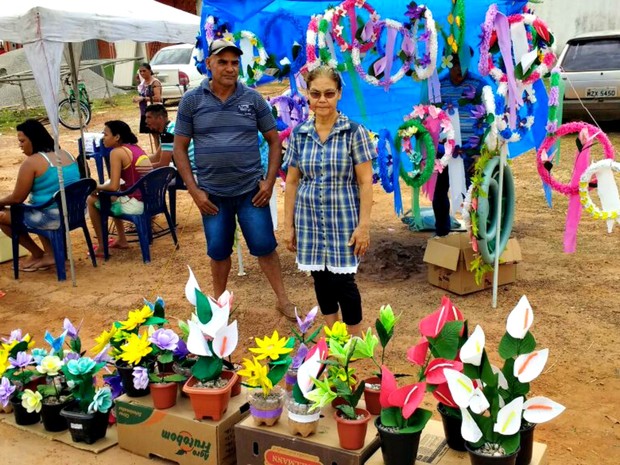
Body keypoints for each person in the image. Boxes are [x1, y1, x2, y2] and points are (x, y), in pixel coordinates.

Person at [173, 38, 295, 320]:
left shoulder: (252, 99)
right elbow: (179, 149)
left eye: (234, 63)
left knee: (265, 247)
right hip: (211, 195)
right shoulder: (192, 100)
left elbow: (274, 141)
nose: (230, 68)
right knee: (218, 252)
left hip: (251, 192)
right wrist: (194, 191)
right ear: (209, 65)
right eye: (223, 62)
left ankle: (282, 299)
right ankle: (219, 304)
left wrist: (267, 181)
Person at [283, 66, 375, 337]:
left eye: (329, 93)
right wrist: (288, 226)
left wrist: (364, 227)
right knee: (321, 281)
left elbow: (365, 182)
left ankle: (356, 342)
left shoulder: (354, 132)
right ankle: (335, 339)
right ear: (307, 96)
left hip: (343, 221)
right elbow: (291, 181)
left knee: (344, 282)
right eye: (316, 94)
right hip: (309, 220)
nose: (322, 100)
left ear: (339, 95)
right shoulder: (300, 134)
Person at [0, 119, 80, 271]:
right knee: (36, 206)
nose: (20, 145)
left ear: (33, 139)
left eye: (22, 141)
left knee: (3, 216)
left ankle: (39, 254)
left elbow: (17, 198)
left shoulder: (31, 163)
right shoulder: (67, 154)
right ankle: (49, 253)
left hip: (53, 217)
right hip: (76, 213)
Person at [433, 53, 486, 237]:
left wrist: (481, 153)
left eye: (463, 65)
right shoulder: (438, 85)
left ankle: (477, 237)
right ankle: (442, 234)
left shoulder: (479, 86)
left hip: (471, 154)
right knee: (439, 194)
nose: (459, 71)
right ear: (447, 63)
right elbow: (431, 116)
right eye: (455, 64)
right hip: (445, 152)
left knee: (473, 197)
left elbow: (489, 121)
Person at [87, 121, 152, 256]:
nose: (102, 138)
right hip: (149, 201)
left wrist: (94, 186)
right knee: (112, 196)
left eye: (105, 134)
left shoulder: (116, 152)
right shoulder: (136, 148)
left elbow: (113, 186)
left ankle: (101, 246)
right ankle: (122, 239)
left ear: (117, 137)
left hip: (135, 204)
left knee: (91, 200)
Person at [144, 103, 195, 171]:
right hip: (193, 166)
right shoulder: (171, 127)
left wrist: (141, 167)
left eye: (149, 117)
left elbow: (163, 164)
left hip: (192, 170)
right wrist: (140, 161)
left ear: (160, 118)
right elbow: (157, 157)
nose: (146, 121)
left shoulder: (168, 134)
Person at [133, 63, 162, 149]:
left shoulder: (155, 82)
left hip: (155, 111)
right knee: (154, 135)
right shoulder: (143, 83)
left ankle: (162, 154)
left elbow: (158, 98)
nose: (142, 73)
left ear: (149, 71)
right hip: (146, 111)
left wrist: (143, 98)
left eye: (144, 71)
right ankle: (158, 154)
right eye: (140, 71)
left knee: (158, 134)